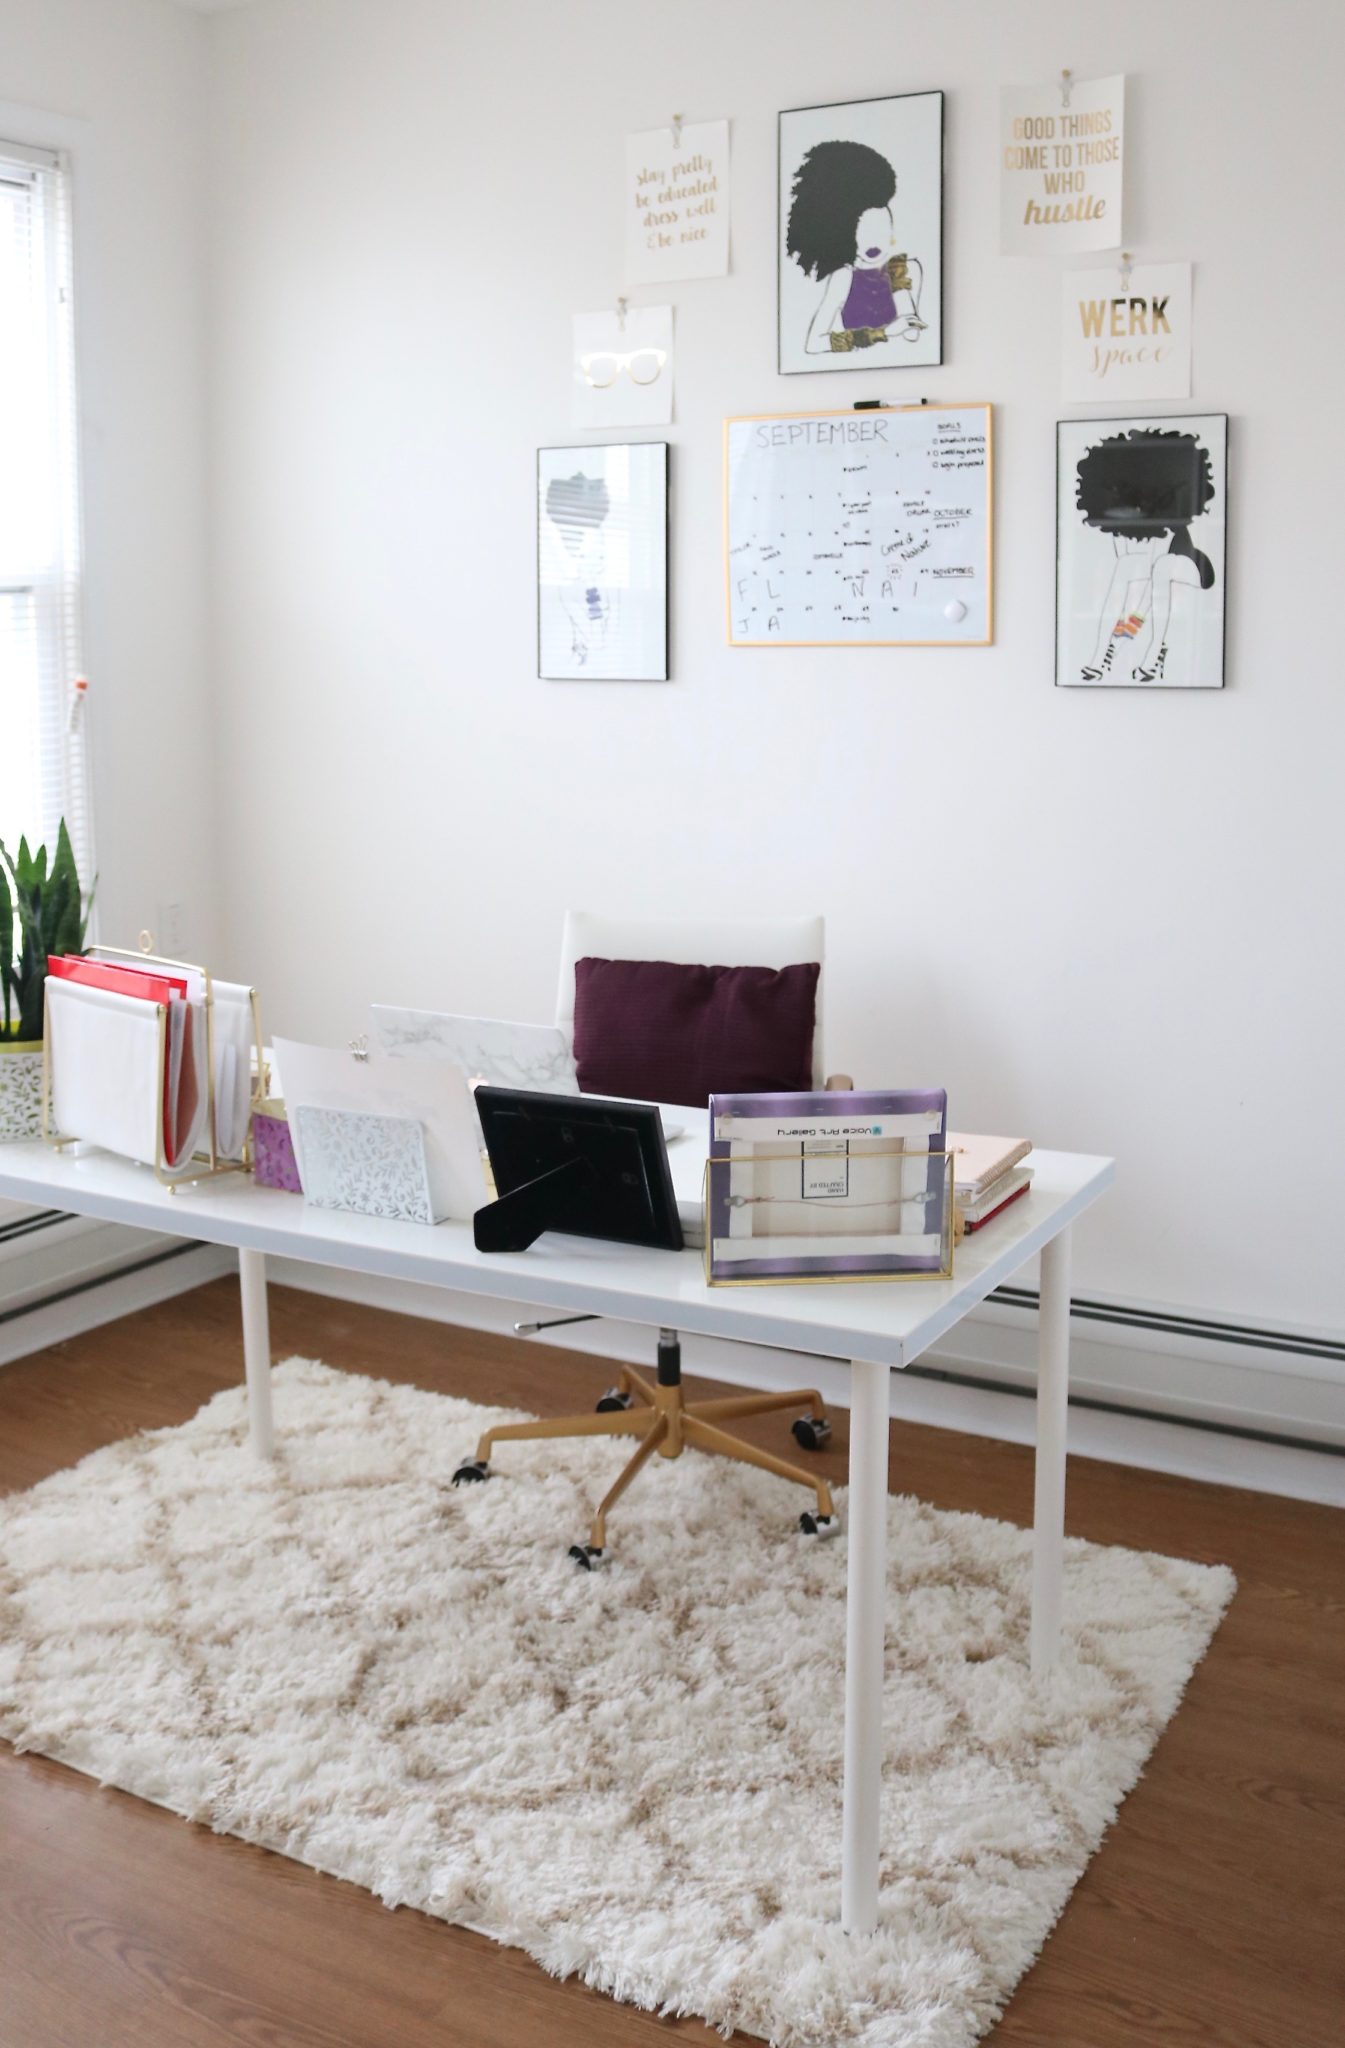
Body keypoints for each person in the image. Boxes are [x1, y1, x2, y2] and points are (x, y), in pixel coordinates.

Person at [1073, 428, 1217, 684]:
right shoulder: (1125, 529)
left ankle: (1150, 655)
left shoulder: (1170, 523)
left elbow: (1145, 602)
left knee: (1159, 569)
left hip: (1194, 566)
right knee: (1129, 568)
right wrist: (1122, 638)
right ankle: (1101, 655)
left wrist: (1122, 639)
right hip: (1158, 576)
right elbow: (1137, 602)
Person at [785, 139, 926, 356]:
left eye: (881, 229)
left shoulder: (906, 269)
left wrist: (899, 282)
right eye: (864, 231)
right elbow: (813, 344)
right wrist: (882, 333)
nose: (874, 242)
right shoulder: (844, 278)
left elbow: (912, 333)